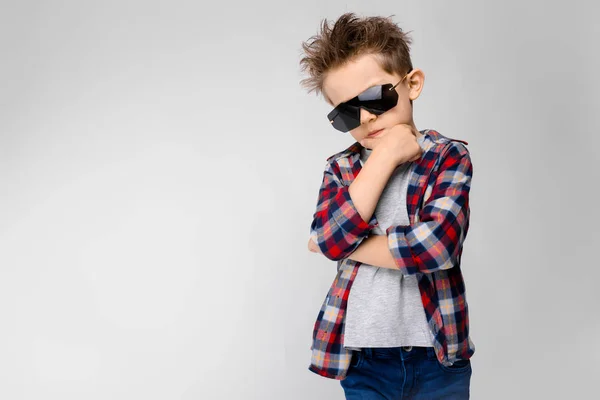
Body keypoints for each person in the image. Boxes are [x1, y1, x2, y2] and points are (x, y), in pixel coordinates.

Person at [299, 12, 475, 399]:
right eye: (346, 112)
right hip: (364, 361)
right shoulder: (342, 168)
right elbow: (329, 240)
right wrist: (385, 154)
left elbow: (435, 249)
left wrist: (346, 243)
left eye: (376, 97)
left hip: (437, 359)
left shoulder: (447, 157)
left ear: (412, 84)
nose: (364, 118)